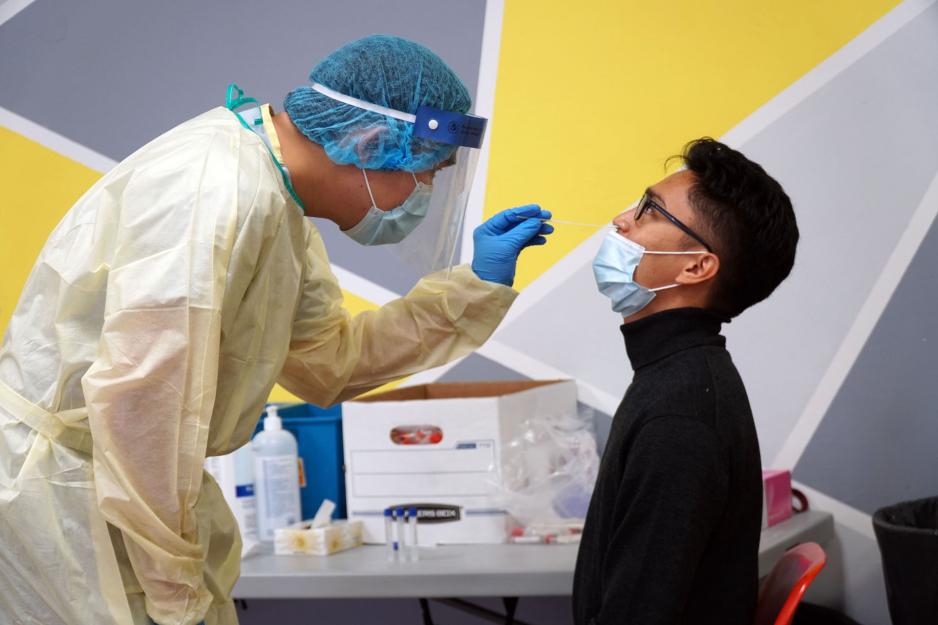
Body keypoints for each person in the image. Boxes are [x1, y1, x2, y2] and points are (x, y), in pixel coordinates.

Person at [0, 35, 552, 625]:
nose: (424, 196)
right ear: (367, 144)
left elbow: (328, 362)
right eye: (426, 175)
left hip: (123, 488)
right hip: (71, 495)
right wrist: (174, 594)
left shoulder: (274, 197)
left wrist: (473, 287)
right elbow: (140, 410)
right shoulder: (214, 194)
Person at [573, 138, 799, 625]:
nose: (622, 220)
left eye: (649, 211)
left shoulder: (680, 416)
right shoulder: (682, 376)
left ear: (697, 266)